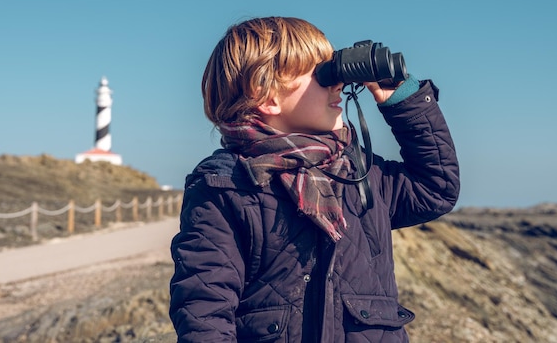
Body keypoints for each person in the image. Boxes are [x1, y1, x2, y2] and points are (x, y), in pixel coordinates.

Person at [169, 17, 460, 342]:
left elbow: (436, 188)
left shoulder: (358, 172)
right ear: (267, 96)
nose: (336, 83)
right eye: (320, 74)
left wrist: (401, 98)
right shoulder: (227, 186)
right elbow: (205, 311)